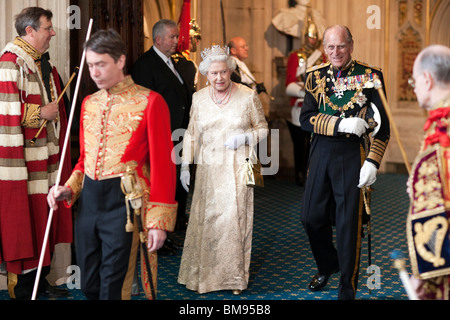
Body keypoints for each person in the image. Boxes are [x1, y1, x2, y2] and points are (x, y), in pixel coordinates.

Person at [47, 29, 177, 300]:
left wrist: (158, 222)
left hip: (125, 206)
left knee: (113, 288)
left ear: (120, 61)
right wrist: (67, 188)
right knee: (90, 285)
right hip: (89, 205)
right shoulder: (87, 104)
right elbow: (84, 160)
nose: (94, 72)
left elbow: (164, 165)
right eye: (90, 65)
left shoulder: (150, 101)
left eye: (101, 64)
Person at [299, 25, 390, 300]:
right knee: (310, 217)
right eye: (330, 47)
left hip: (353, 155)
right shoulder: (314, 76)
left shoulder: (371, 76)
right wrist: (340, 123)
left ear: (351, 45)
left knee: (349, 222)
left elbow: (382, 127)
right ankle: (329, 264)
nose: (335, 52)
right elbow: (306, 119)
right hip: (321, 152)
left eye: (340, 46)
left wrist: (373, 162)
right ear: (324, 48)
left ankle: (347, 286)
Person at [177, 44, 268, 294]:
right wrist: (185, 165)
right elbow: (192, 134)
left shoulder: (248, 95)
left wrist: (244, 138)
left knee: (232, 222)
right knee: (207, 222)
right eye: (214, 73)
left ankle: (233, 279)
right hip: (208, 169)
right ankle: (204, 277)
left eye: (223, 72)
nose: (219, 78)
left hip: (237, 167)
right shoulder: (198, 98)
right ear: (207, 74)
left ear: (230, 71)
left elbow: (262, 128)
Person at [0, 6, 72, 300]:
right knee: (26, 220)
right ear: (30, 31)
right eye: (48, 28)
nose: (53, 33)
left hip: (47, 157)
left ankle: (41, 283)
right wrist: (39, 112)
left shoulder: (43, 62)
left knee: (44, 218)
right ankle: (27, 288)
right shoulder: (10, 62)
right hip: (25, 161)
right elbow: (4, 112)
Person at [131, 19, 192, 246]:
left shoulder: (172, 61)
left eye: (177, 36)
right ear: (158, 39)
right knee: (161, 182)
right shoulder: (145, 64)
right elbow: (144, 103)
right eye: (172, 37)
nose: (177, 41)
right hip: (160, 135)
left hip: (178, 133)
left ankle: (172, 226)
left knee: (176, 180)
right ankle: (158, 232)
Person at [406, 44, 450, 300]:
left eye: (414, 79)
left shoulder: (440, 138)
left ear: (427, 79)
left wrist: (423, 277)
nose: (413, 86)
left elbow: (435, 216)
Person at [285, 20, 326, 186]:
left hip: (318, 104)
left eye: (315, 36)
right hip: (301, 104)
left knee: (314, 142)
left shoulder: (322, 56)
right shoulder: (296, 56)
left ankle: (312, 172)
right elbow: (289, 81)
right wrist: (303, 92)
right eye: (310, 36)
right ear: (304, 37)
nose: (313, 39)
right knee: (300, 143)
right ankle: (299, 173)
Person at [228, 37, 270, 118]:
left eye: (246, 46)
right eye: (243, 47)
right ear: (233, 50)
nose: (247, 48)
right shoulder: (231, 65)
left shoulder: (239, 63)